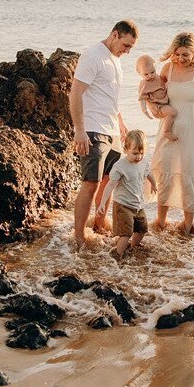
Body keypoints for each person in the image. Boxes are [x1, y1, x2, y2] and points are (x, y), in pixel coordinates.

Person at [70, 20, 138, 248]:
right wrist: (79, 130)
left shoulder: (116, 61)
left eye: (131, 48)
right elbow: (76, 93)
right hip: (92, 128)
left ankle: (99, 225)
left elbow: (110, 96)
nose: (127, 51)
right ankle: (78, 237)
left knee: (111, 179)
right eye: (126, 45)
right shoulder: (93, 56)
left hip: (112, 131)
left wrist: (120, 121)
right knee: (91, 182)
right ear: (115, 34)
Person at [149, 31, 194, 235]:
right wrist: (155, 110)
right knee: (165, 173)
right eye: (177, 54)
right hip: (168, 130)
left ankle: (187, 225)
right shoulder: (167, 68)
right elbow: (154, 95)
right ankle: (160, 222)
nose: (180, 59)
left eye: (185, 54)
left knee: (188, 176)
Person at [96, 129, 157, 259]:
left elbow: (148, 173)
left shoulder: (144, 161)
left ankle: (133, 247)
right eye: (135, 153)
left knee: (141, 230)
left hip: (138, 205)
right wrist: (102, 203)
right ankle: (118, 256)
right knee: (126, 233)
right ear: (126, 149)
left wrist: (154, 184)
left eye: (141, 153)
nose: (138, 157)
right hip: (123, 205)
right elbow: (110, 185)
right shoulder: (120, 166)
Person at [136, 54, 178, 141]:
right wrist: (144, 111)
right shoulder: (144, 84)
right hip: (157, 107)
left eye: (152, 72)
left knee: (172, 112)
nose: (150, 76)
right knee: (173, 112)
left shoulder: (158, 78)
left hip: (164, 103)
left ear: (155, 67)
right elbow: (142, 98)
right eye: (146, 74)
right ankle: (167, 132)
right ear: (140, 73)